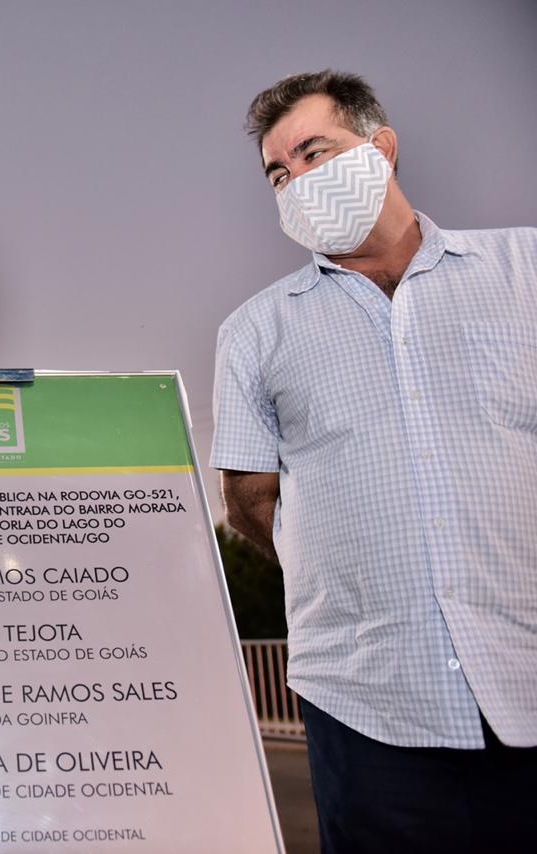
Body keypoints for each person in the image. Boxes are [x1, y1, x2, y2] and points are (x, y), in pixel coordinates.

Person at [212, 70, 537, 853]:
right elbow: (250, 500)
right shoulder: (256, 332)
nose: (297, 182)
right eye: (279, 174)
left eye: (315, 152)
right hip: (364, 706)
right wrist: (352, 571)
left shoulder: (525, 273)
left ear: (381, 148)